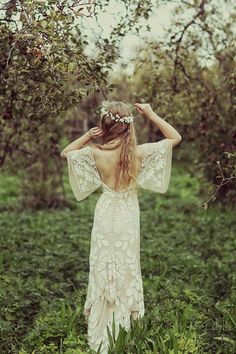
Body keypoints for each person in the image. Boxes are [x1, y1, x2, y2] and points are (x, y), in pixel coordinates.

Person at [61, 101, 182, 353]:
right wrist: (151, 114)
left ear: (104, 126)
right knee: (126, 264)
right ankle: (124, 325)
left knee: (103, 263)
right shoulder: (137, 153)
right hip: (127, 214)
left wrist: (86, 136)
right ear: (128, 128)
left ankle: (102, 325)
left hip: (105, 214)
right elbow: (175, 137)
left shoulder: (95, 152)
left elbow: (66, 152)